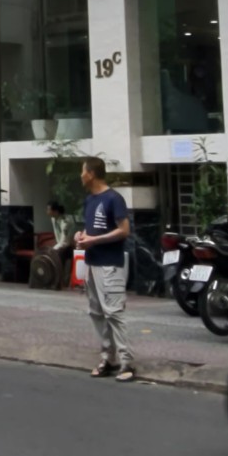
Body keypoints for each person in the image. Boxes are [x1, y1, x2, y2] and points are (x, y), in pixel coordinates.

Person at [75, 156, 135, 381]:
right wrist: (81, 236)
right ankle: (108, 359)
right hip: (92, 263)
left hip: (110, 264)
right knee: (96, 312)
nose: (81, 176)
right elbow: (90, 228)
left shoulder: (113, 199)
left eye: (83, 171)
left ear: (91, 174)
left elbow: (124, 230)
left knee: (114, 313)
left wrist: (94, 240)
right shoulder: (90, 200)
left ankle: (126, 362)